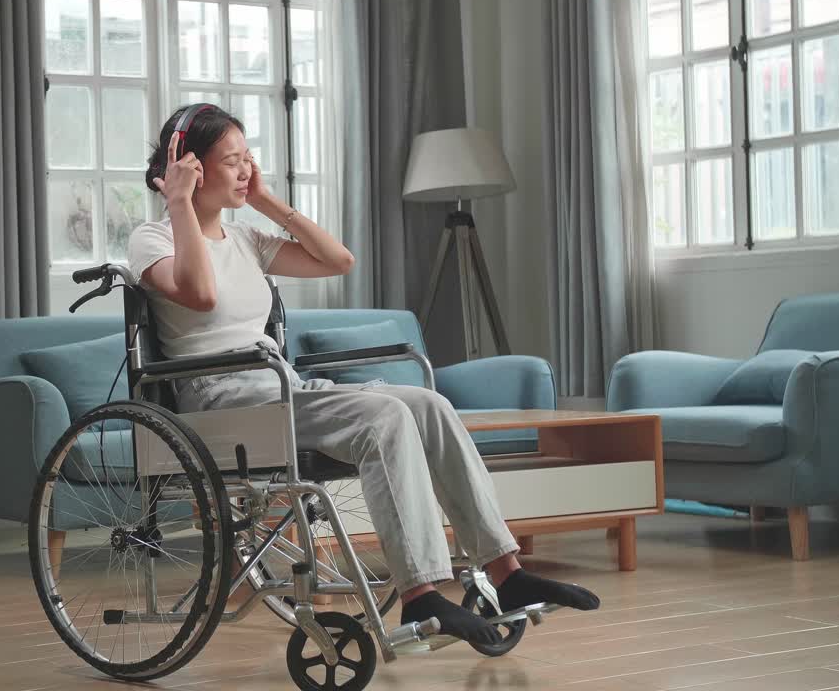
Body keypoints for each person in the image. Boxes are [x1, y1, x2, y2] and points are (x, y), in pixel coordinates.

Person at [126, 104, 599, 645]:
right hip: (220, 398)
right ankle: (421, 595)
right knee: (385, 418)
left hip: (276, 385)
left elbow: (338, 261)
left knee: (429, 405)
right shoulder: (152, 238)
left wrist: (265, 202)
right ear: (189, 164)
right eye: (232, 161)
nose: (245, 170)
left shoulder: (244, 239)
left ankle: (505, 572)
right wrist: (180, 202)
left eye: (248, 159)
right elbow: (201, 293)